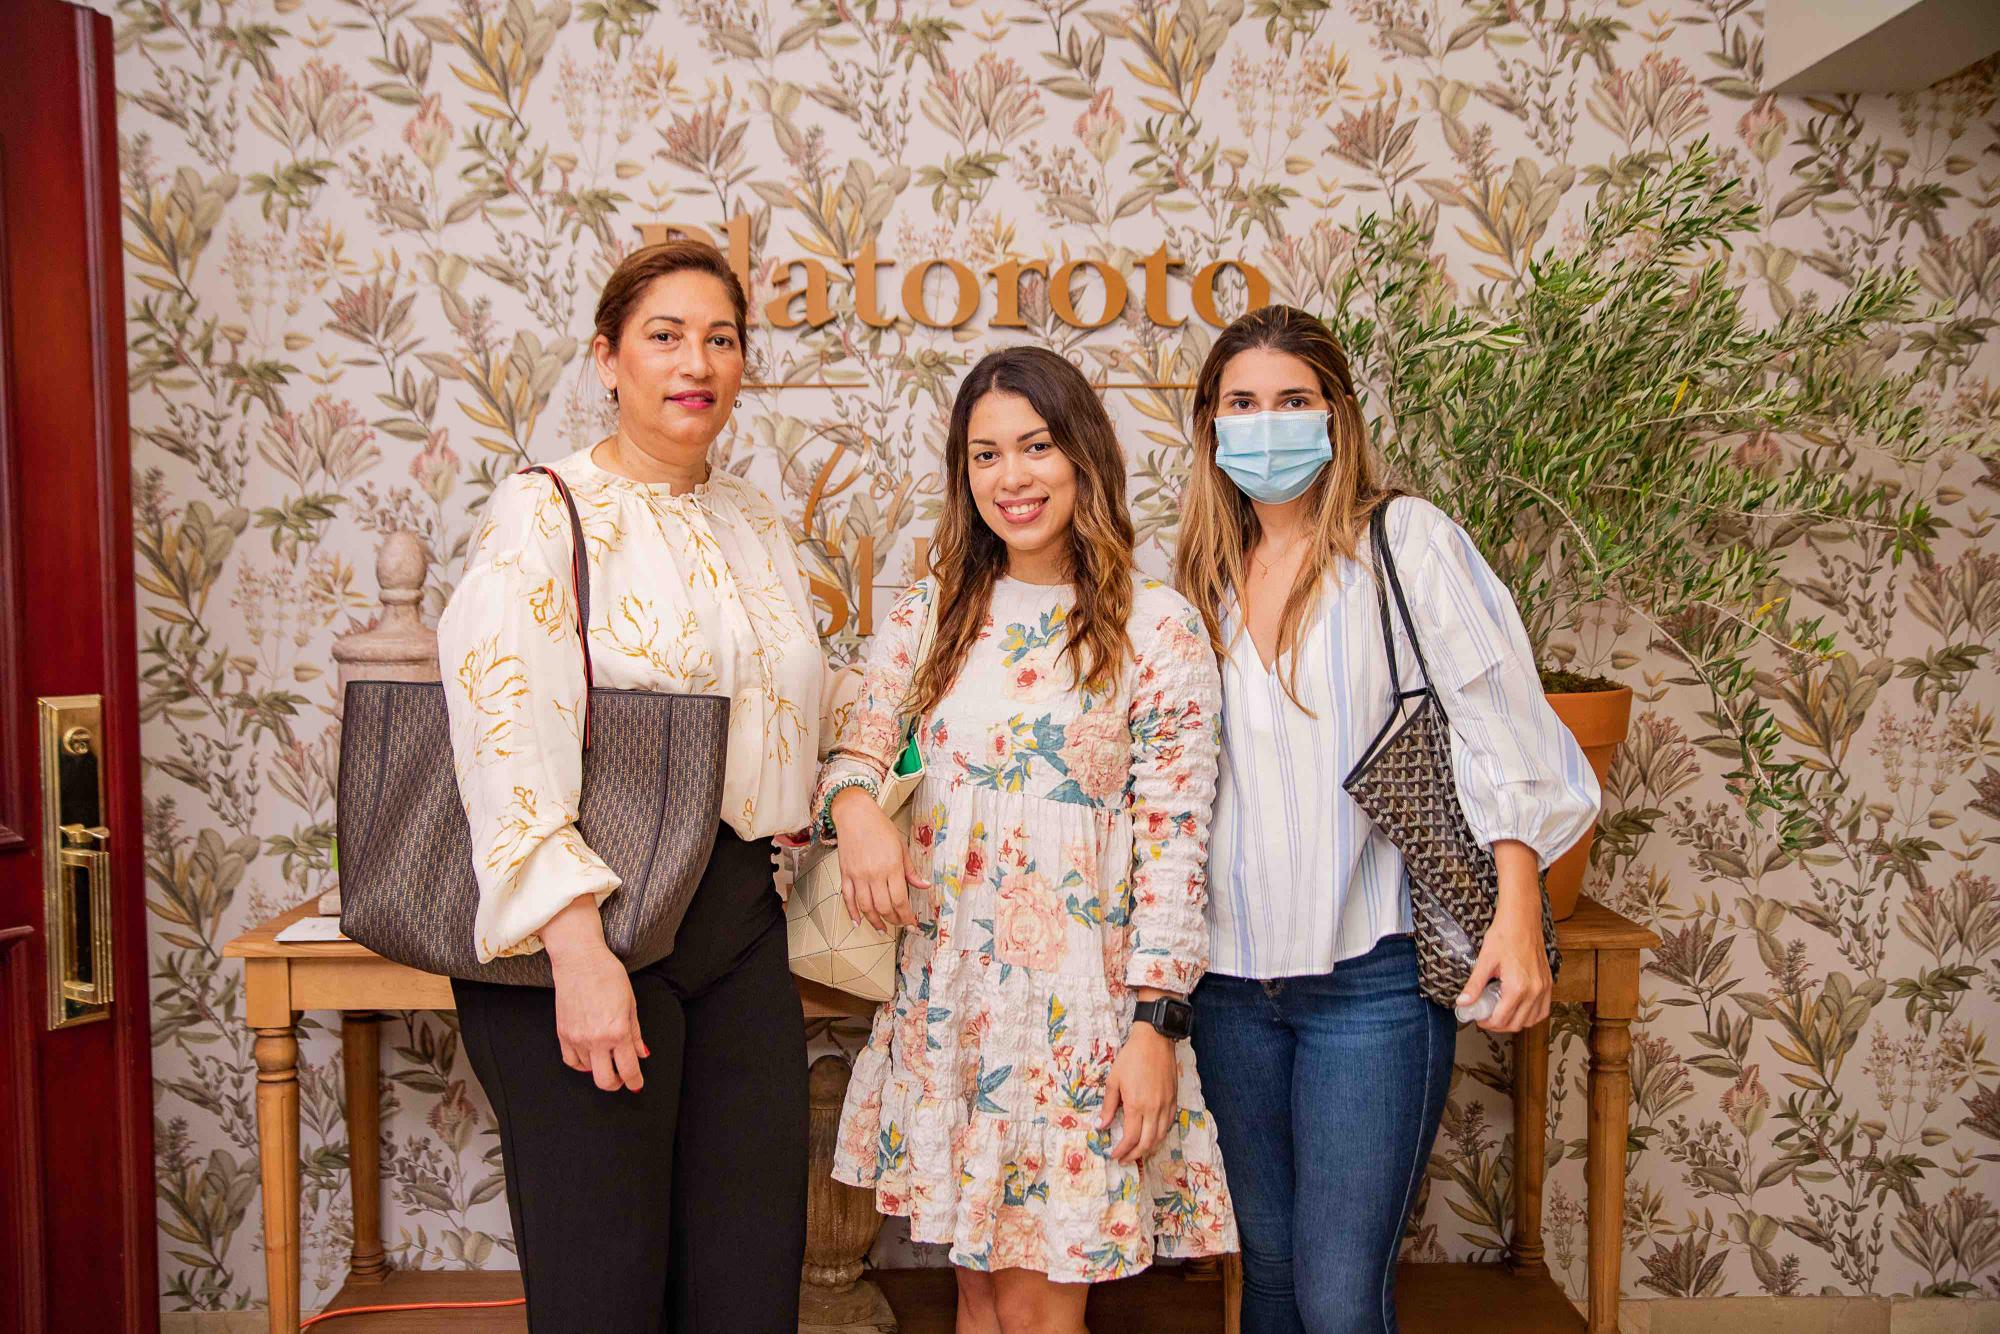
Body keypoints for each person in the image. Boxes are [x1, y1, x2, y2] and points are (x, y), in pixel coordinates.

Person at [1171, 304, 1602, 1334]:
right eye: (1240, 403)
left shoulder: (1402, 542)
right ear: (1208, 424)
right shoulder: (1188, 577)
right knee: (1268, 1269)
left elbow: (1499, 725)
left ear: (1335, 417)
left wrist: (1511, 909)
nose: (1264, 423)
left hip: (1368, 978)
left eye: (1290, 401)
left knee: (1335, 1289)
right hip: (1227, 984)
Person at [435, 239, 823, 1332]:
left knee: (747, 1280)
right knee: (604, 1290)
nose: (693, 359)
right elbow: (503, 733)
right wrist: (575, 948)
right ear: (607, 358)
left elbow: (788, 715)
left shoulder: (750, 519)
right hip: (592, 928)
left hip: (736, 919)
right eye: (663, 335)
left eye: (720, 337)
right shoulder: (545, 509)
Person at [815, 345, 1237, 1334]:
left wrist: (1153, 1028)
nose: (1013, 477)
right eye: (985, 454)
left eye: (1036, 446)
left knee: (1042, 1311)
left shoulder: (1157, 628)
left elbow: (1177, 848)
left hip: (1078, 1023)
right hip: (949, 1008)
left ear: (1082, 454)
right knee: (976, 1295)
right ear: (964, 476)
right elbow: (853, 752)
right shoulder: (929, 615)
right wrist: (857, 808)